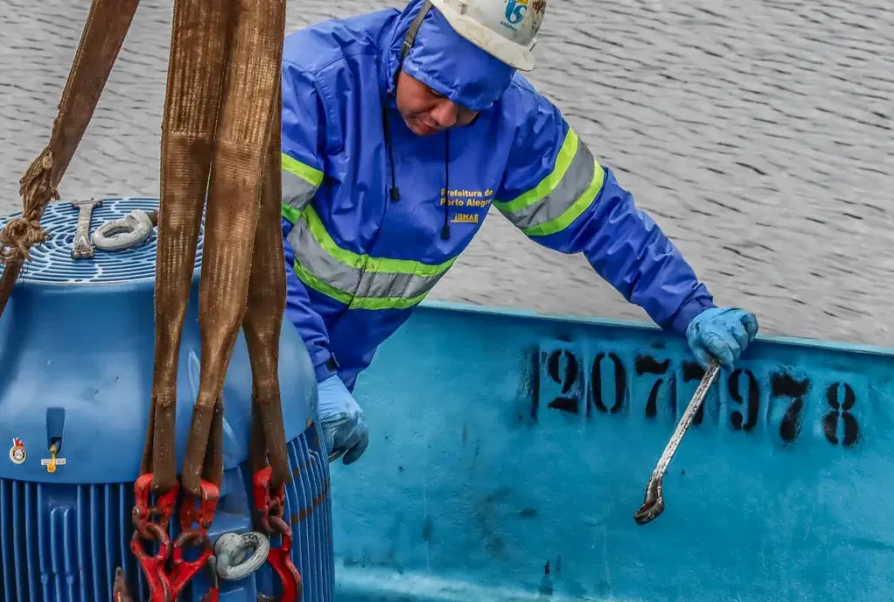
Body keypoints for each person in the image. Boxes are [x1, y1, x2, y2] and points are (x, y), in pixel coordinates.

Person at [278, 0, 759, 465]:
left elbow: (602, 219)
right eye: (434, 87)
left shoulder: (512, 124)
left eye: (469, 104)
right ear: (414, 34)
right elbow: (239, 253)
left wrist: (691, 308)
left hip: (333, 381)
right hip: (239, 351)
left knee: (290, 533)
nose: (444, 117)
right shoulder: (313, 82)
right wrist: (310, 371)